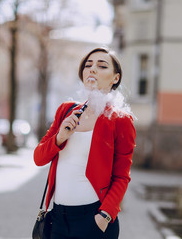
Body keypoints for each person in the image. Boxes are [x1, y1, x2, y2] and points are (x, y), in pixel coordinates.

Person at [33, 47, 136, 239]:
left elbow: (122, 176)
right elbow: (38, 158)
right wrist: (59, 138)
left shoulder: (120, 120)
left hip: (93, 219)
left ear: (115, 78)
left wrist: (104, 216)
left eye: (101, 65)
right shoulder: (65, 111)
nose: (92, 69)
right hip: (57, 218)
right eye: (88, 65)